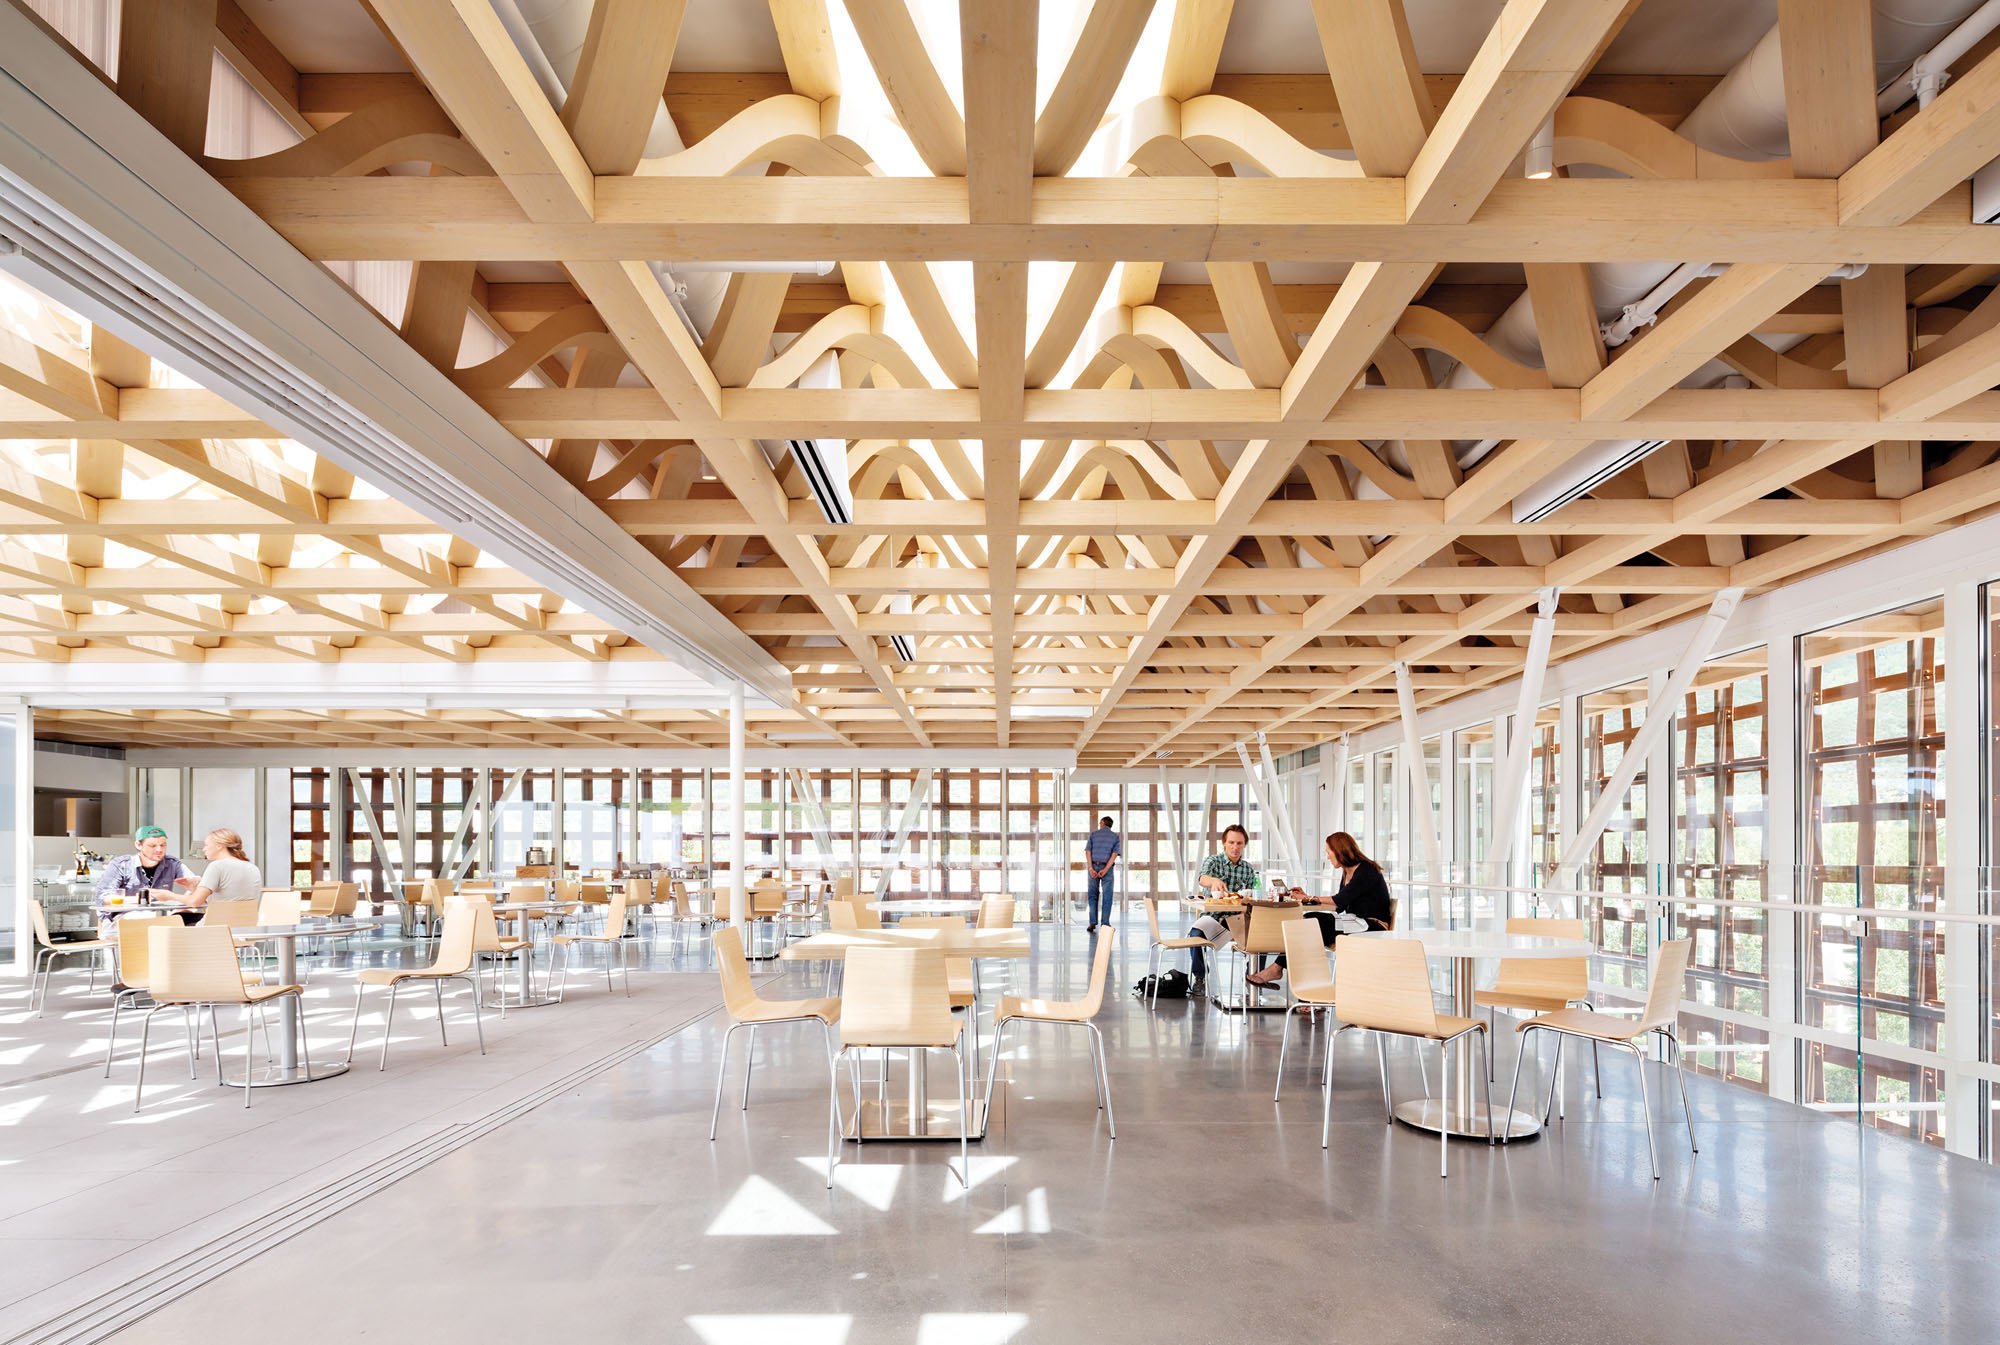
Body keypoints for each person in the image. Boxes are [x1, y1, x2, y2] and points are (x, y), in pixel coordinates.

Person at [1246, 831, 1392, 986]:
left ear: (1339, 851)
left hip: (1372, 926)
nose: (1327, 856)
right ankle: (1304, 990)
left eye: (1328, 852)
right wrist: (1307, 896)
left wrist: (1308, 898)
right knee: (1308, 923)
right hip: (1354, 922)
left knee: (1311, 925)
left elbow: (1339, 900)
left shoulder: (1366, 870)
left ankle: (1281, 971)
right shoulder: (1347, 872)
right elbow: (1340, 906)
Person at [1184, 823, 1259, 980]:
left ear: (1244, 845)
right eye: (1231, 842)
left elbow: (1254, 894)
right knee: (1195, 935)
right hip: (1214, 917)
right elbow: (1202, 878)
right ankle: (1200, 976)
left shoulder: (1248, 869)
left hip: (1238, 919)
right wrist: (1213, 881)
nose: (1235, 847)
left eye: (1239, 843)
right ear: (1224, 843)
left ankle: (1253, 976)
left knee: (1262, 937)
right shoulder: (1213, 861)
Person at [94, 826, 192, 906]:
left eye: (163, 845)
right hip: (124, 917)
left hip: (160, 917)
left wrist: (184, 903)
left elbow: (198, 885)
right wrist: (139, 899)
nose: (159, 850)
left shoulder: (173, 864)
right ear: (138, 845)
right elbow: (102, 897)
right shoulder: (120, 865)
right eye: (152, 846)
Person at [173, 828, 264, 912]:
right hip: (244, 926)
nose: (204, 849)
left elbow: (194, 902)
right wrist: (194, 887)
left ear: (219, 846)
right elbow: (224, 900)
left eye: (206, 845)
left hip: (215, 927)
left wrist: (167, 895)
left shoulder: (217, 866)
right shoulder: (253, 868)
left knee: (176, 919)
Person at [1084, 814, 1120, 932]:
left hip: (1093, 866)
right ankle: (1105, 923)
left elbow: (1088, 852)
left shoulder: (1093, 835)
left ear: (1103, 823)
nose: (1099, 825)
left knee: (1092, 895)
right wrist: (1105, 869)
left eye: (1100, 823)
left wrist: (1091, 868)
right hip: (1107, 868)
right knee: (1107, 895)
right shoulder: (1115, 837)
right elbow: (1114, 855)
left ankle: (1092, 923)